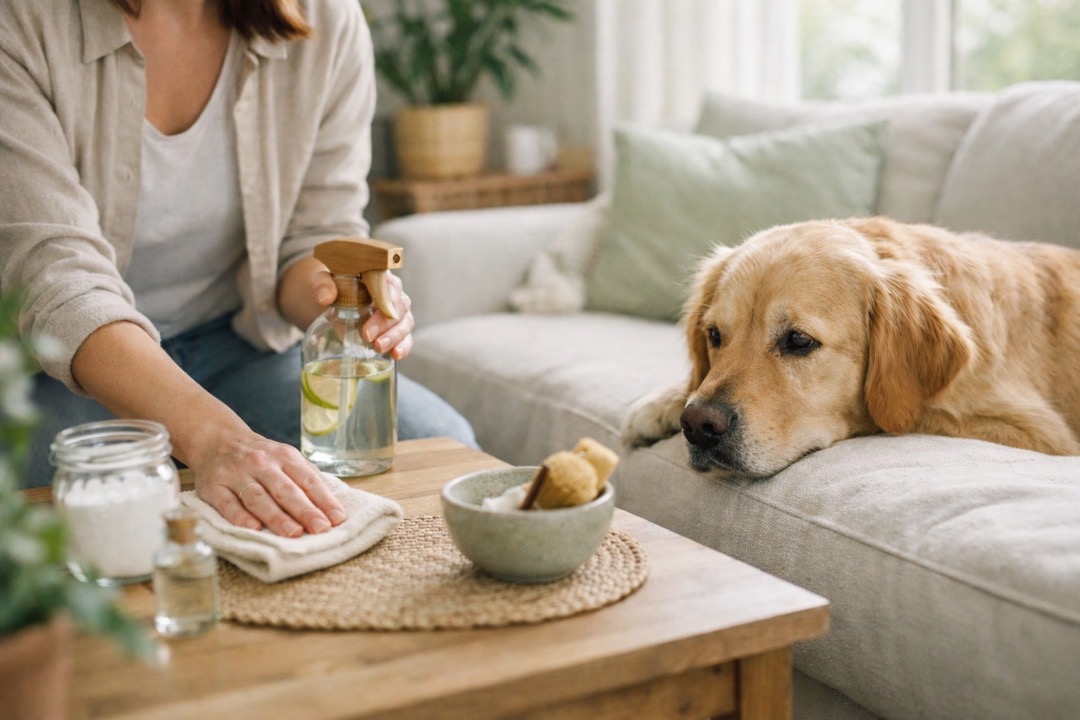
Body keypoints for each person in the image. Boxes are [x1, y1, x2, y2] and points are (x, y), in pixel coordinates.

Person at [0, 0, 478, 537]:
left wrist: (342, 291)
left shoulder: (326, 18)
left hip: (235, 344)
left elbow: (312, 237)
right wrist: (214, 439)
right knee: (63, 522)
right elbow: (57, 284)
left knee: (438, 451)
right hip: (54, 371)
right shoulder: (22, 21)